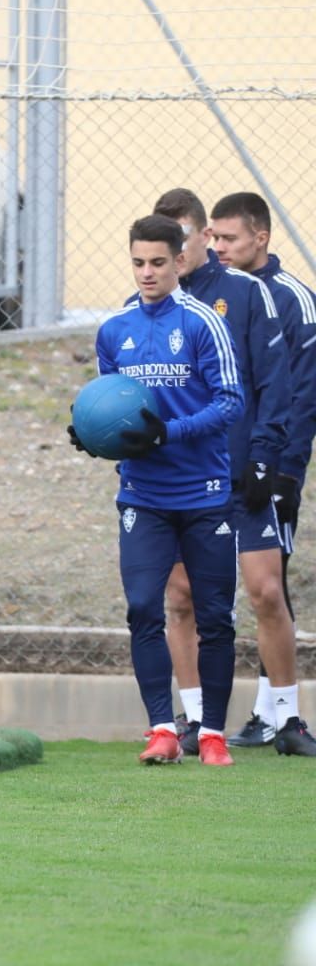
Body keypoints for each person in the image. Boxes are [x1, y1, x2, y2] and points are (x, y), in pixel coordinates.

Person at [69, 214, 242, 766]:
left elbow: (231, 402)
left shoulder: (201, 323)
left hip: (204, 493)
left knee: (214, 615)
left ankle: (212, 734)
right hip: (142, 496)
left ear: (179, 261)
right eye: (139, 262)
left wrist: (171, 431)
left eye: (158, 263)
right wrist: (93, 437)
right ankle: (161, 729)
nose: (148, 272)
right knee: (144, 608)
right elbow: (110, 405)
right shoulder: (113, 329)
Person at [142, 189, 296, 757]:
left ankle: (288, 718)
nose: (171, 255)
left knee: (264, 590)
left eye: (180, 241)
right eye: (160, 248)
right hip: (181, 480)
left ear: (201, 236)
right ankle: (196, 721)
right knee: (180, 598)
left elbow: (275, 386)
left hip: (241, 475)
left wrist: (264, 456)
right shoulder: (150, 310)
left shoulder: (246, 294)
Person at [204, 191, 316, 754]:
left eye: (228, 238)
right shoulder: (220, 294)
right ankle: (264, 711)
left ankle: (285, 716)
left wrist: (288, 470)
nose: (217, 247)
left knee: (271, 584)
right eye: (213, 238)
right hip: (231, 466)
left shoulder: (293, 297)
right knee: (245, 587)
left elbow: (300, 393)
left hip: (276, 468)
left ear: (261, 238)